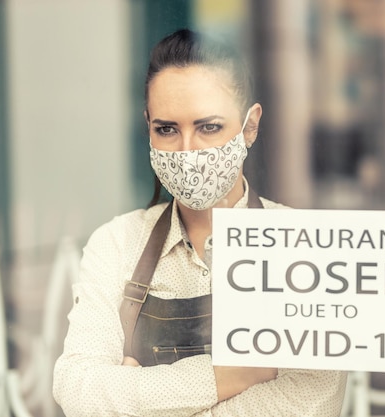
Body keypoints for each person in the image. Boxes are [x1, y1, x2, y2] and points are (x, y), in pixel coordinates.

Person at [52, 28, 347, 416]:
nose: (188, 151)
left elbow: (311, 400)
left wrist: (138, 398)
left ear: (249, 126)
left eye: (208, 127)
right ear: (148, 126)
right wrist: (229, 376)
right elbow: (77, 390)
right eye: (167, 129)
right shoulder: (116, 243)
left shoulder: (306, 246)